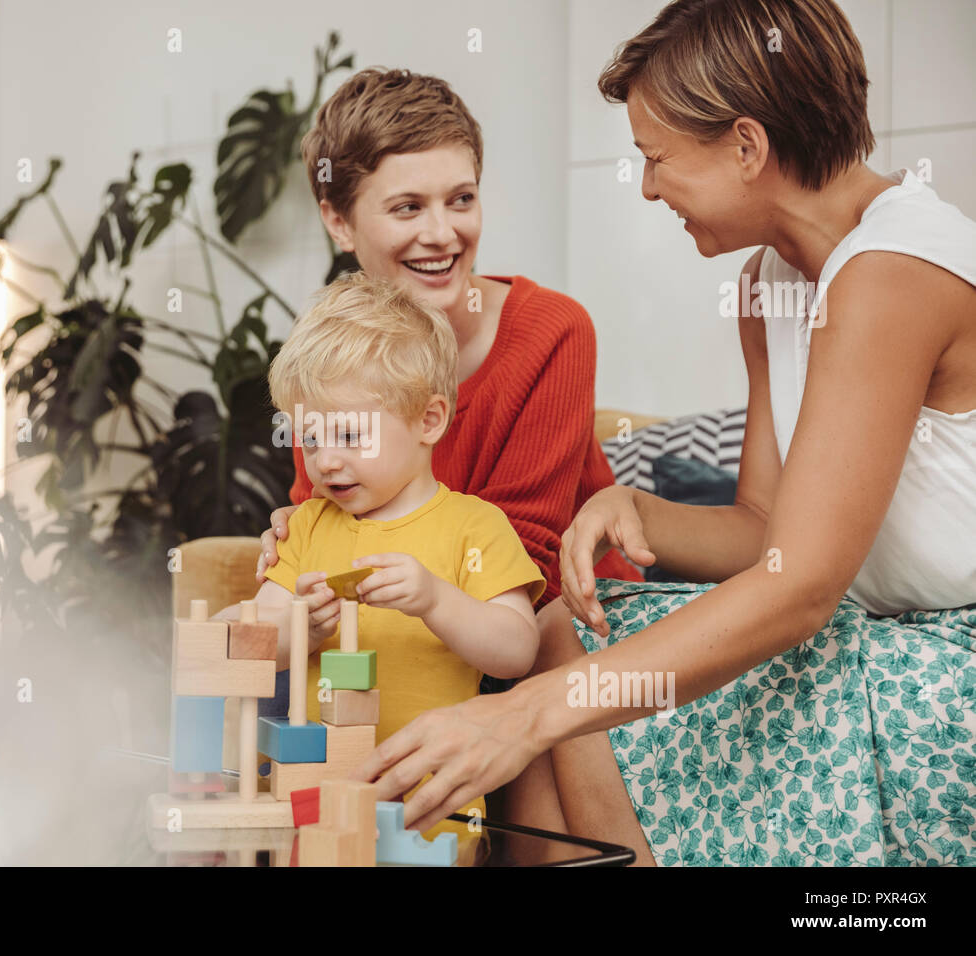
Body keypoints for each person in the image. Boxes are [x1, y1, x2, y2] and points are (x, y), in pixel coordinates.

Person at [352, 0, 976, 866]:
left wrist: (523, 713)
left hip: (950, 656)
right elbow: (768, 534)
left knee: (562, 693)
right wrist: (636, 506)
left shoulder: (892, 276)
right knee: (563, 638)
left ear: (746, 148)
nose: (648, 187)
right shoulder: (770, 282)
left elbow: (800, 591)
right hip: (872, 627)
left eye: (656, 159)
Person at [255, 67, 643, 607]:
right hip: (410, 631)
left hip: (565, 625)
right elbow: (326, 531)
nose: (442, 234)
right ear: (338, 221)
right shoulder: (329, 359)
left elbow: (524, 569)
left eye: (461, 199)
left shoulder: (552, 332)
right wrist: (304, 535)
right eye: (408, 207)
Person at [216, 271, 545, 835]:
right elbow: (241, 646)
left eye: (349, 435)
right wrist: (302, 629)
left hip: (429, 812)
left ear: (429, 420)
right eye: (311, 438)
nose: (325, 462)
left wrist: (436, 599)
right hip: (313, 808)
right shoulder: (309, 525)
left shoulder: (475, 527)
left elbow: (516, 652)